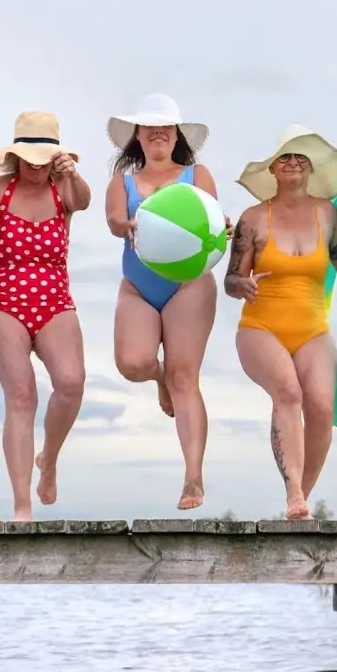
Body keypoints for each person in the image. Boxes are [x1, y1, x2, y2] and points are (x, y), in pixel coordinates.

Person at [0, 111, 89, 521]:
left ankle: (47, 458)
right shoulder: (0, 187)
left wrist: (71, 174)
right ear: (16, 154)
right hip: (1, 299)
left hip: (54, 298)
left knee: (71, 382)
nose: (35, 164)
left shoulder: (62, 189)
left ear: (55, 157)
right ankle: (21, 506)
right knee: (21, 395)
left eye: (44, 157)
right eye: (28, 156)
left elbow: (82, 201)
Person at [224, 125, 337, 521]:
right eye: (285, 156)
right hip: (260, 328)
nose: (294, 162)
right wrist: (242, 283)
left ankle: (299, 502)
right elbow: (230, 280)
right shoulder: (252, 219)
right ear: (272, 168)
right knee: (288, 391)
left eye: (301, 155)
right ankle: (294, 492)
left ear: (312, 167)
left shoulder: (327, 214)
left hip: (313, 330)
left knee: (321, 407)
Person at [104, 93, 228, 511]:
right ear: (137, 136)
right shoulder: (121, 183)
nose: (158, 132)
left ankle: (193, 478)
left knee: (185, 376)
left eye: (166, 127)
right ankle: (159, 380)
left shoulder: (198, 175)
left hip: (189, 285)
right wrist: (129, 223)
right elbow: (114, 223)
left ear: (176, 134)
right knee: (133, 363)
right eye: (150, 126)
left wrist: (224, 227)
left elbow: (214, 222)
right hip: (139, 286)